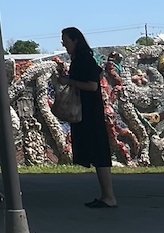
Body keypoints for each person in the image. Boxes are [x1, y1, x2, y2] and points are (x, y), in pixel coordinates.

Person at [59, 27, 116, 208]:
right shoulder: (83, 59)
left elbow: (92, 85)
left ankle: (109, 196)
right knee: (97, 153)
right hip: (89, 111)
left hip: (90, 113)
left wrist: (70, 81)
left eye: (66, 41)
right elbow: (98, 73)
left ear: (76, 41)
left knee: (99, 153)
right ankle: (106, 195)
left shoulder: (83, 59)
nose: (64, 45)